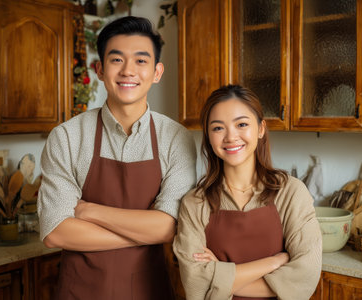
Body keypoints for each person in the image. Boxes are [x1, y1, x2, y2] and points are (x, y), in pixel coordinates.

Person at [38, 16, 196, 300]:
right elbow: (56, 232)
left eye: (140, 60)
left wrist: (90, 211)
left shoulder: (176, 139)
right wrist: (146, 231)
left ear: (157, 72)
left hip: (150, 290)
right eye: (116, 60)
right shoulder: (67, 137)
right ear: (99, 69)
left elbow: (170, 226)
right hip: (81, 291)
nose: (128, 71)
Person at [173, 85, 322, 300]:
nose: (231, 137)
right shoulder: (195, 203)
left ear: (261, 129)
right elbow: (195, 286)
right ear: (208, 135)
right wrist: (274, 262)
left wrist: (218, 277)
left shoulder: (291, 192)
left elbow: (304, 279)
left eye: (241, 124)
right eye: (218, 128)